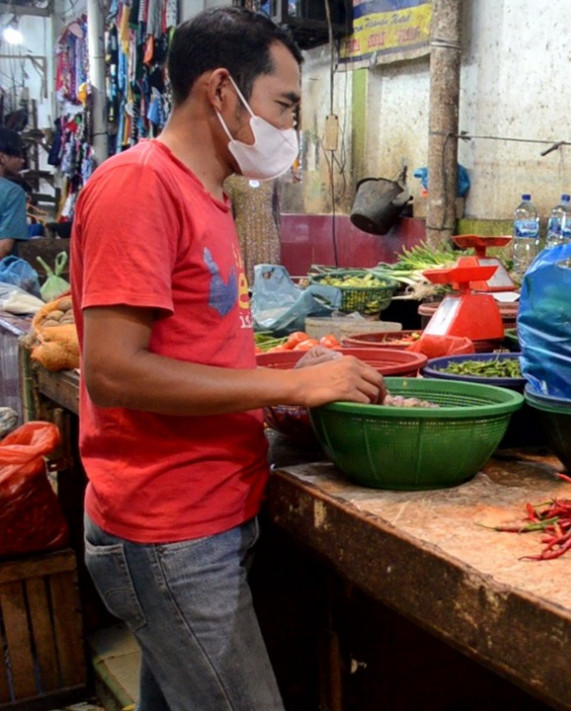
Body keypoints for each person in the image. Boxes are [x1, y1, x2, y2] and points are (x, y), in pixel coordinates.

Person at [69, 8, 385, 709]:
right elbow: (113, 370)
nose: (290, 129)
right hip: (170, 529)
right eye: (284, 105)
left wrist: (282, 378)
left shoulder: (208, 196)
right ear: (220, 90)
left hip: (210, 513)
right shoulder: (139, 186)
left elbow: (197, 353)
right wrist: (297, 391)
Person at [0, 128, 29, 258]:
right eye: (18, 155)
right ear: (2, 157)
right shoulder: (13, 193)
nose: (22, 161)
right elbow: (5, 246)